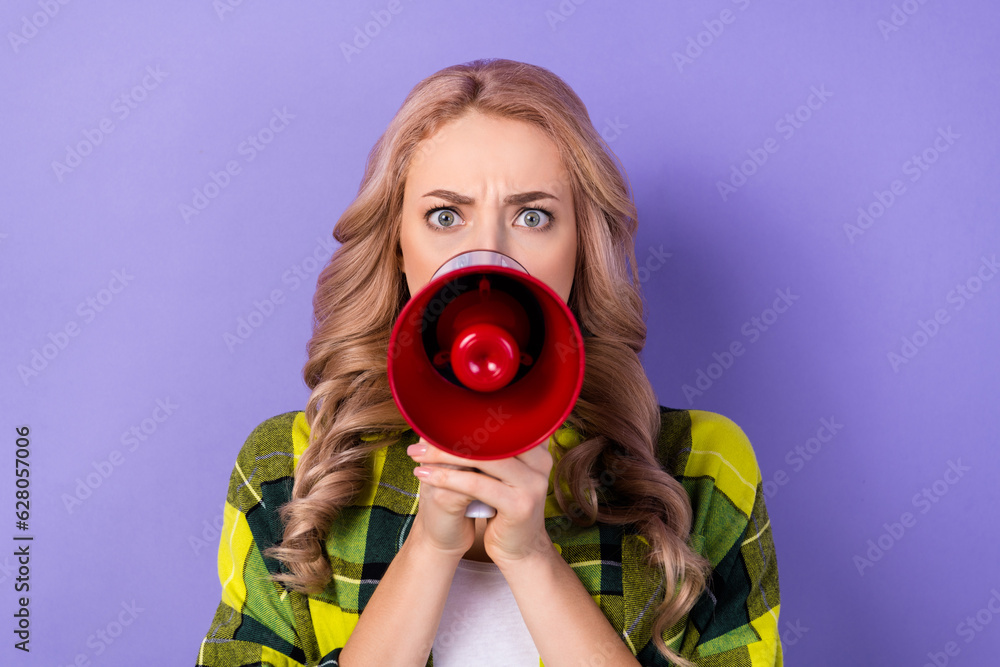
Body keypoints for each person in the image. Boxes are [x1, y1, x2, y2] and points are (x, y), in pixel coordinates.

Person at [195, 58, 782, 667]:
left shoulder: (701, 470)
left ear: (582, 246)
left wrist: (532, 559)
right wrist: (427, 549)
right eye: (445, 216)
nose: (488, 254)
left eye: (533, 217)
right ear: (397, 245)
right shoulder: (291, 470)